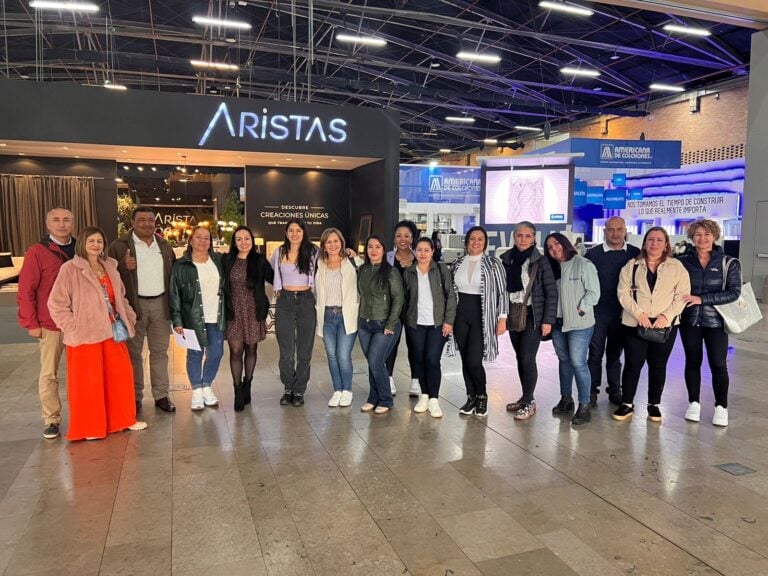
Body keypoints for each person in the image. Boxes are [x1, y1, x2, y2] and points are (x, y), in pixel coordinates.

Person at [48, 226, 147, 440]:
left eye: (99, 241)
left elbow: (121, 296)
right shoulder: (70, 269)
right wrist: (72, 326)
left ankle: (123, 419)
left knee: (120, 376)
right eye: (91, 241)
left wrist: (129, 317)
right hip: (85, 335)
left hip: (113, 331)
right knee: (88, 382)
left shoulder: (110, 266)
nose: (96, 245)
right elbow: (56, 304)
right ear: (83, 243)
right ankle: (91, 427)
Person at [613, 227, 690, 422]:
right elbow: (623, 293)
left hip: (665, 326)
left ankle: (654, 405)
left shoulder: (677, 267)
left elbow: (682, 296)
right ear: (645, 243)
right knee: (633, 364)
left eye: (659, 240)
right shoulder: (631, 266)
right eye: (650, 239)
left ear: (666, 245)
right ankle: (627, 403)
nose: (654, 243)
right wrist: (639, 314)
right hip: (634, 323)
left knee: (658, 365)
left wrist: (667, 316)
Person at [109, 207, 176, 414]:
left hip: (160, 305)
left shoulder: (164, 246)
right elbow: (105, 273)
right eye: (141, 220)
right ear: (132, 222)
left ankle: (161, 395)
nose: (147, 224)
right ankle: (135, 396)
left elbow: (173, 275)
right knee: (134, 354)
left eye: (150, 220)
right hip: (133, 306)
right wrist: (122, 266)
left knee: (160, 352)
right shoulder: (119, 246)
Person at [17, 208, 76, 439]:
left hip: (78, 323)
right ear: (47, 223)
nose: (61, 224)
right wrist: (31, 323)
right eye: (56, 220)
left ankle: (83, 414)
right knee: (49, 373)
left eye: (66, 220)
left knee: (80, 372)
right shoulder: (37, 252)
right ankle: (51, 419)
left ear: (72, 222)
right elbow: (26, 290)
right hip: (50, 324)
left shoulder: (81, 249)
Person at [678, 219, 741, 427]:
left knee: (718, 365)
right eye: (697, 234)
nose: (702, 238)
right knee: (692, 362)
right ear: (691, 237)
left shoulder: (729, 262)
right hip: (690, 320)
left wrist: (702, 299)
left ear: (714, 236)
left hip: (717, 322)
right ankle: (693, 403)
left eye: (706, 234)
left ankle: (721, 406)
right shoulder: (682, 261)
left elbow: (734, 292)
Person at [499, 221, 557, 420]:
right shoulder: (506, 259)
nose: (523, 239)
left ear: (534, 238)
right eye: (519, 235)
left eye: (527, 236)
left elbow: (551, 292)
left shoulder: (540, 262)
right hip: (514, 314)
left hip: (534, 315)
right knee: (519, 358)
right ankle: (524, 398)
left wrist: (548, 320)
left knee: (527, 357)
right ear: (514, 237)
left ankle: (530, 401)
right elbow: (501, 290)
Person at [544, 233, 600, 426]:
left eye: (557, 244)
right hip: (559, 323)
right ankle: (566, 399)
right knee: (564, 361)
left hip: (579, 324)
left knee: (578, 363)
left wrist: (581, 307)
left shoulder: (583, 264)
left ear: (565, 244)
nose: (554, 249)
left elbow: (594, 293)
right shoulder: (552, 269)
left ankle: (584, 405)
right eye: (550, 247)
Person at [451, 226, 507, 417]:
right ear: (467, 241)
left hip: (482, 317)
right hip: (460, 316)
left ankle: (482, 396)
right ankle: (471, 397)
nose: (476, 242)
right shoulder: (458, 263)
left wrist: (503, 318)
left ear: (485, 243)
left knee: (474, 361)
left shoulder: (493, 264)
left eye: (480, 239)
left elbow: (502, 293)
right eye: (472, 239)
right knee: (465, 360)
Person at [170, 225, 226, 411]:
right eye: (199, 237)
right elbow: (174, 294)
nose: (203, 241)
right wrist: (177, 320)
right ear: (191, 240)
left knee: (216, 354)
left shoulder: (218, 261)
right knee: (195, 354)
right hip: (191, 318)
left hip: (216, 317)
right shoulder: (181, 265)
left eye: (207, 238)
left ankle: (206, 385)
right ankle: (196, 390)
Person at [585, 217, 640, 406]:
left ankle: (615, 390)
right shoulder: (592, 255)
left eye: (619, 229)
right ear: (604, 231)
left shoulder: (636, 254)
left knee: (615, 354)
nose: (615, 233)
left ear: (625, 230)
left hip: (624, 313)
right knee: (594, 353)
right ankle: (591, 391)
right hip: (598, 313)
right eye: (610, 230)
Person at [402, 237, 456, 418]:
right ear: (414, 251)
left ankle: (434, 399)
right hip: (415, 323)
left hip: (437, 324)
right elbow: (406, 298)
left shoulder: (441, 270)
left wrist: (449, 321)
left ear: (433, 251)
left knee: (432, 360)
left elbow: (451, 297)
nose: (423, 253)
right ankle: (424, 396)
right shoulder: (409, 272)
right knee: (418, 359)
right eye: (419, 250)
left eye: (426, 250)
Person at [222, 226, 274, 412]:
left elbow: (276, 278)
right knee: (236, 350)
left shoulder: (259, 260)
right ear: (234, 242)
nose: (243, 242)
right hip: (233, 311)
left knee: (251, 347)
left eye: (247, 238)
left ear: (252, 240)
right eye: (239, 239)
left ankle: (248, 384)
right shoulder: (227, 260)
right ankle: (237, 390)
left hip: (253, 311)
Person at [271, 218, 318, 407]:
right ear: (286, 232)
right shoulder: (279, 252)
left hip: (306, 301)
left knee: (305, 349)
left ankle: (299, 390)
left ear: (304, 232)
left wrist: (349, 251)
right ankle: (288, 387)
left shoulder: (314, 251)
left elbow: (334, 257)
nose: (295, 233)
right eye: (291, 230)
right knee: (286, 351)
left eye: (298, 230)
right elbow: (271, 273)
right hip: (285, 302)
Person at [358, 234, 405, 415]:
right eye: (370, 246)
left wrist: (391, 323)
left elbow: (398, 299)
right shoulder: (362, 270)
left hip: (384, 324)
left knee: (376, 362)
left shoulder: (391, 272)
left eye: (378, 247)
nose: (374, 250)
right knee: (372, 362)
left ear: (384, 250)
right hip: (364, 324)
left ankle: (385, 399)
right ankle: (373, 397)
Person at [315, 228, 360, 408]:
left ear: (341, 243)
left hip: (346, 315)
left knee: (343, 355)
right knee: (331, 356)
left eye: (336, 241)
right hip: (327, 316)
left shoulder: (352, 262)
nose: (333, 245)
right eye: (329, 242)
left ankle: (347, 389)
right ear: (324, 246)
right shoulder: (320, 264)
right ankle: (337, 390)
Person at [386, 219, 420, 397]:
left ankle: (415, 379)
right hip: (393, 308)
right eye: (399, 235)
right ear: (394, 238)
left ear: (412, 238)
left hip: (414, 308)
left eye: (406, 235)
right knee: (392, 343)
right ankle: (389, 377)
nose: (402, 239)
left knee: (414, 343)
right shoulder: (388, 258)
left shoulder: (419, 257)